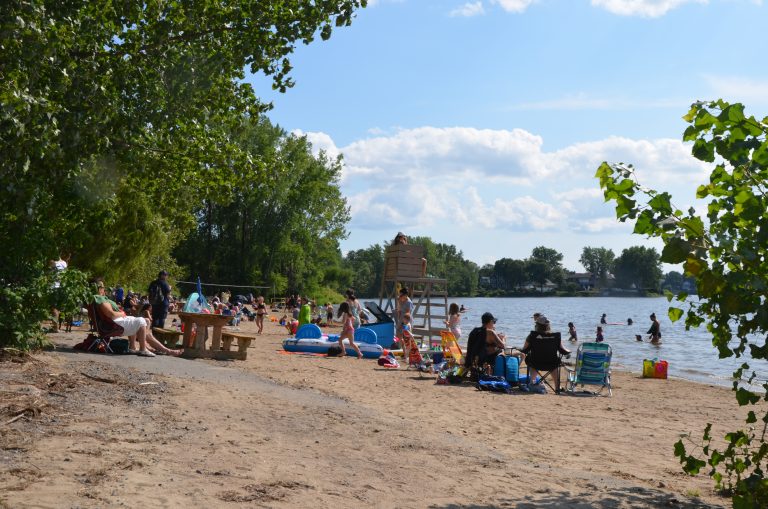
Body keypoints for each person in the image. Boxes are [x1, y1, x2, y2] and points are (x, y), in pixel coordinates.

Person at [93, 282, 156, 357]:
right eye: (103, 287)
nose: (104, 289)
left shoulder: (99, 298)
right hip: (113, 324)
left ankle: (133, 347)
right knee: (140, 321)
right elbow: (111, 314)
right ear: (99, 289)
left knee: (138, 320)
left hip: (113, 321)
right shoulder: (100, 298)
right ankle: (143, 349)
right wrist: (122, 313)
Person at [521, 315, 570, 392]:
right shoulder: (555, 336)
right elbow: (562, 349)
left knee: (531, 359)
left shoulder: (532, 335)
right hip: (551, 363)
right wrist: (568, 352)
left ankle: (532, 382)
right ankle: (557, 387)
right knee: (554, 362)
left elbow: (524, 350)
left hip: (535, 362)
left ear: (537, 325)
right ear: (548, 325)